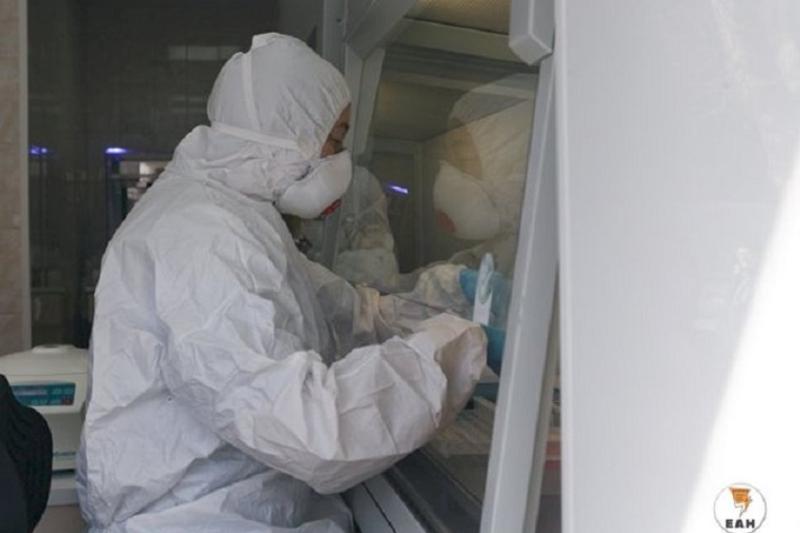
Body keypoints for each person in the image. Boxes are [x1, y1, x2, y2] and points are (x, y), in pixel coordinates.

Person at [77, 33, 486, 533]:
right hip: (197, 521)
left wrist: (455, 297)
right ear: (285, 132)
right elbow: (307, 427)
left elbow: (343, 312)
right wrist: (452, 353)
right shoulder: (204, 236)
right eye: (335, 139)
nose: (340, 158)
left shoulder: (239, 218)